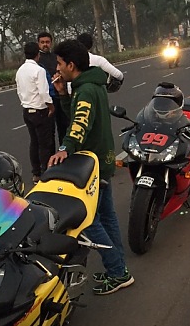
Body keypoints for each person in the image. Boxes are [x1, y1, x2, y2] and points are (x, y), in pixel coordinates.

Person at [48, 39, 132, 296]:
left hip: (92, 165)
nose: (58, 68)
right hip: (103, 160)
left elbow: (79, 124)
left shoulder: (85, 90)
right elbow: (78, 115)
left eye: (60, 63)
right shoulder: (91, 85)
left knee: (88, 221)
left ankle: (117, 271)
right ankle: (119, 270)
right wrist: (63, 95)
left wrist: (65, 148)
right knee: (107, 217)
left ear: (71, 64)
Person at [15, 41, 55, 184]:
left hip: (27, 111)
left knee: (34, 142)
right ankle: (46, 173)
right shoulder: (39, 70)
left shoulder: (20, 71)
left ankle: (36, 173)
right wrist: (51, 107)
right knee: (45, 144)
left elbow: (19, 91)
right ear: (38, 55)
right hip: (40, 111)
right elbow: (44, 92)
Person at [37, 32, 68, 145]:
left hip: (60, 95)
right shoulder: (37, 60)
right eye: (42, 42)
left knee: (63, 126)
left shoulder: (55, 56)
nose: (45, 45)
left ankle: (64, 151)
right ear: (38, 44)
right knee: (49, 132)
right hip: (46, 100)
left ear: (51, 43)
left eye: (47, 42)